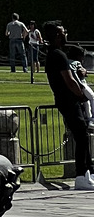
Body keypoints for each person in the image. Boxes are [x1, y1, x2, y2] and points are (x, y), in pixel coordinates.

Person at [42, 22, 94, 190]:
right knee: (81, 136)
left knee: (82, 135)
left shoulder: (52, 55)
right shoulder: (59, 55)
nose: (66, 35)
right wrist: (81, 95)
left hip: (64, 100)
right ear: (57, 35)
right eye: (63, 32)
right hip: (69, 100)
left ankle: (88, 172)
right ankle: (82, 174)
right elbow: (70, 81)